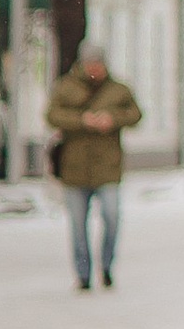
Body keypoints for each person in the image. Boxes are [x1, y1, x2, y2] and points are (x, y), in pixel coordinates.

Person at [45, 42, 142, 293]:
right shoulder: (66, 87)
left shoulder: (118, 90)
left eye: (98, 64)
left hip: (107, 167)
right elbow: (52, 115)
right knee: (78, 226)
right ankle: (83, 274)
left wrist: (113, 119)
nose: (94, 69)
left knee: (111, 216)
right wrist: (82, 121)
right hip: (74, 169)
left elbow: (136, 115)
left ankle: (107, 266)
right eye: (90, 64)